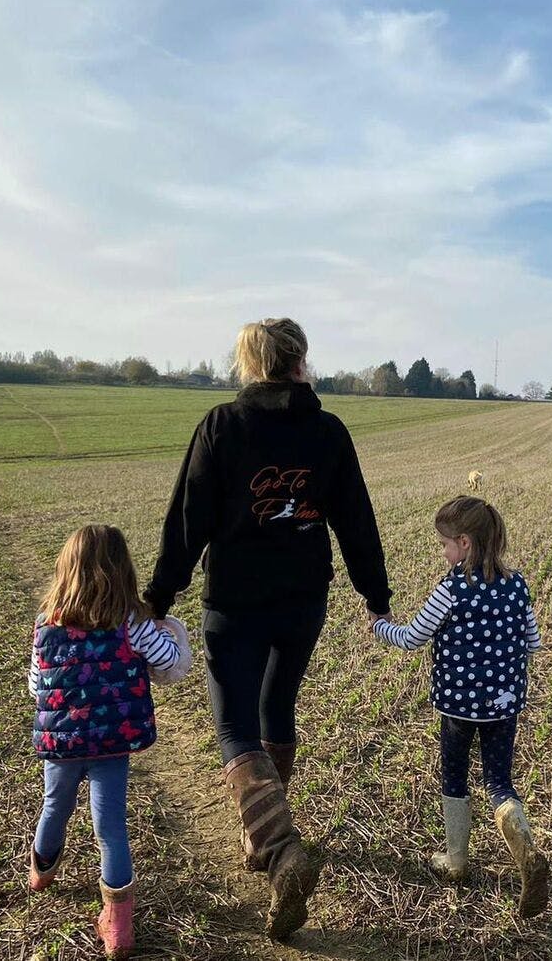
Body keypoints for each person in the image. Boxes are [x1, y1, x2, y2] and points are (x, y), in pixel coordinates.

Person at [143, 317, 392, 940]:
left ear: (248, 364)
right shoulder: (328, 432)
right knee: (278, 708)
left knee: (234, 726)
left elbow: (187, 520)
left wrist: (159, 595)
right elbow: (356, 520)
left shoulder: (224, 426)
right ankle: (264, 841)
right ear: (300, 362)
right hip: (304, 598)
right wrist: (375, 596)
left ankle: (278, 847)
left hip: (236, 600)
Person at [371, 496, 549, 918]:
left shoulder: (451, 588)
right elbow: (534, 643)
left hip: (458, 706)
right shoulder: (517, 584)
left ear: (465, 543)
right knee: (499, 783)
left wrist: (379, 626)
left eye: (445, 544)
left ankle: (456, 861)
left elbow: (414, 637)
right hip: (505, 703)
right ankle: (523, 842)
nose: (444, 551)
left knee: (454, 777)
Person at [27, 524, 191, 960]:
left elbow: (36, 685)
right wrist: (170, 626)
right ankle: (118, 929)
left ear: (67, 568)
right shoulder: (131, 622)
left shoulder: (47, 621)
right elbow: (172, 661)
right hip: (110, 745)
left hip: (61, 746)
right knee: (111, 829)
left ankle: (41, 873)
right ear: (123, 572)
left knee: (54, 806)